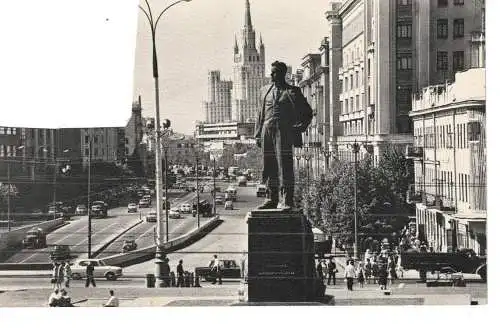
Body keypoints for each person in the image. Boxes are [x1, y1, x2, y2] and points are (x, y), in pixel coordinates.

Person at [255, 60, 313, 210]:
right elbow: (259, 114)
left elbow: (308, 112)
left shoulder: (293, 91)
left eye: (274, 72)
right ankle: (271, 198)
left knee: (284, 165)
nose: (271, 75)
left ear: (282, 74)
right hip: (266, 131)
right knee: (269, 165)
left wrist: (300, 127)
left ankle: (287, 200)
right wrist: (257, 134)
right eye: (271, 72)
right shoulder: (264, 90)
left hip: (284, 132)